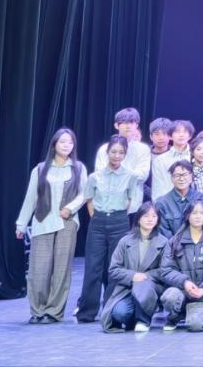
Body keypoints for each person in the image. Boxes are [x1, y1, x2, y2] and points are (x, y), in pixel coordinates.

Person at [70, 134, 143, 322]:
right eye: (113, 152)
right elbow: (89, 200)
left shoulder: (131, 176)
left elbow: (130, 201)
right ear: (107, 152)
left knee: (114, 267)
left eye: (121, 152)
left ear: (125, 154)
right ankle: (87, 311)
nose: (117, 156)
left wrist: (117, 215)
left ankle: (110, 310)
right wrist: (98, 217)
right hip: (98, 222)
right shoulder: (95, 177)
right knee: (93, 267)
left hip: (119, 221)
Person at [15, 127, 86, 323]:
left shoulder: (78, 168)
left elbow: (84, 194)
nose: (66, 145)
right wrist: (21, 224)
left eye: (70, 142)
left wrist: (70, 208)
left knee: (61, 270)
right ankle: (37, 310)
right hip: (43, 222)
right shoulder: (40, 169)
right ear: (54, 144)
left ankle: (53, 312)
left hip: (66, 223)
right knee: (39, 269)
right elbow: (31, 198)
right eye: (62, 141)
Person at [101, 202, 166, 332]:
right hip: (127, 288)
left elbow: (165, 270)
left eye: (154, 216)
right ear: (138, 219)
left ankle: (143, 320)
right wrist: (133, 276)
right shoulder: (125, 241)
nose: (150, 219)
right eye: (146, 216)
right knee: (120, 313)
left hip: (150, 287)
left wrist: (146, 276)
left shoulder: (163, 242)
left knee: (143, 288)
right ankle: (132, 318)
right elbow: (114, 269)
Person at [158, 197, 203, 332]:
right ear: (187, 215)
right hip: (181, 290)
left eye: (202, 213)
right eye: (194, 213)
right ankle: (174, 316)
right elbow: (166, 270)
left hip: (202, 294)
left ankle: (198, 314)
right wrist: (184, 282)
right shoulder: (174, 241)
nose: (198, 216)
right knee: (170, 297)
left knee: (196, 326)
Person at [92, 107, 153, 185]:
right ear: (116, 125)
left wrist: (116, 175)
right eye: (125, 122)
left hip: (132, 191)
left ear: (136, 125)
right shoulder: (104, 148)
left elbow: (141, 176)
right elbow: (99, 174)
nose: (128, 126)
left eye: (132, 123)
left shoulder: (143, 149)